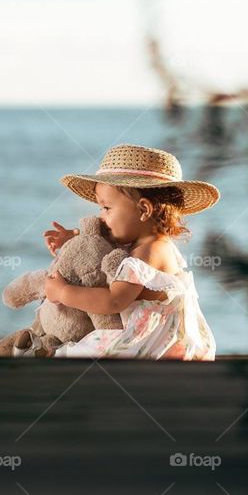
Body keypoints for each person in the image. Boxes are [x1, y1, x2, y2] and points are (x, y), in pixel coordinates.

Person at [35, 143, 220, 360]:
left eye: (106, 208)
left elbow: (114, 301)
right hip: (149, 342)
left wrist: (63, 293)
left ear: (143, 210)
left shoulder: (151, 251)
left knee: (74, 353)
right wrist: (75, 237)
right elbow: (101, 249)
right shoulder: (144, 243)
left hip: (147, 345)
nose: (101, 217)